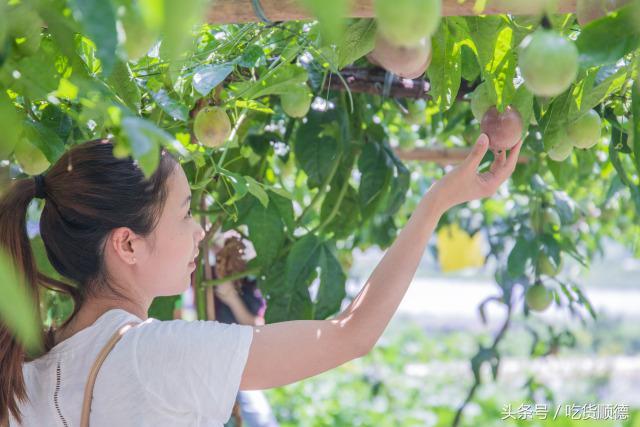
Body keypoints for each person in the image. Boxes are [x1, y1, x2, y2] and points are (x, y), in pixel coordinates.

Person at [0, 133, 521, 426]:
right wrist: (435, 204)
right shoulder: (153, 353)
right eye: (184, 214)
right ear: (127, 244)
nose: (201, 229)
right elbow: (350, 334)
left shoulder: (28, 371)